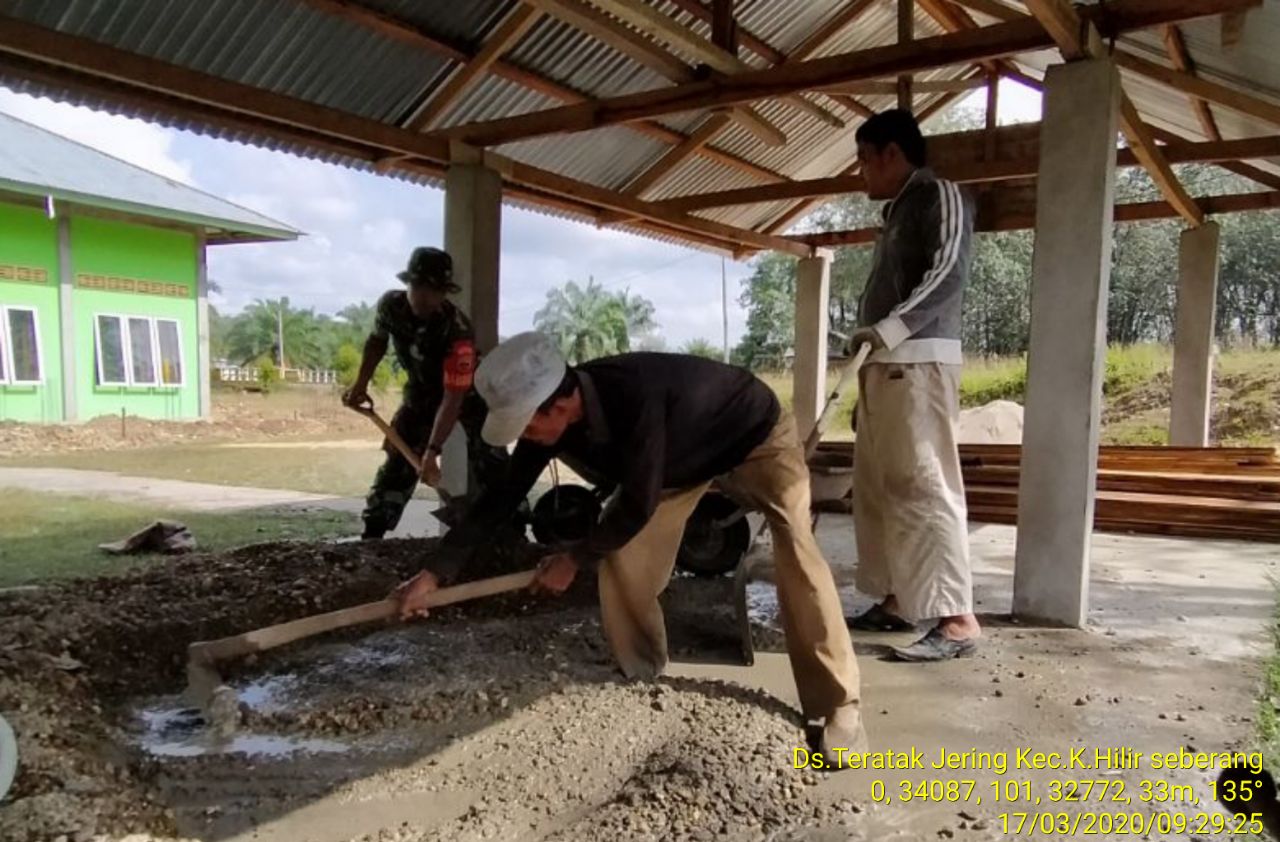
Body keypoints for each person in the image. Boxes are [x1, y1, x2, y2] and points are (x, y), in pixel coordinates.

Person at [394, 333, 865, 756]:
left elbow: (637, 502)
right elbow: (500, 499)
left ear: (558, 405)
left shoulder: (635, 396)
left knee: (798, 552)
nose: (526, 438)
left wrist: (574, 560)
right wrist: (434, 573)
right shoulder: (554, 420)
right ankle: (642, 672)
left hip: (752, 433)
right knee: (622, 556)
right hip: (676, 463)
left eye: (527, 427)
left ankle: (840, 703)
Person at [843, 109, 981, 661]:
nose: (861, 175)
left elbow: (949, 272)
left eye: (863, 161)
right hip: (885, 367)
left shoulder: (939, 195)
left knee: (924, 485)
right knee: (880, 488)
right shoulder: (897, 212)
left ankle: (957, 620)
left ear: (892, 154)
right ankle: (899, 600)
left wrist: (891, 328)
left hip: (919, 363)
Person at [342, 246, 493, 540]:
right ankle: (373, 535)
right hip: (421, 395)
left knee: (490, 461)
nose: (425, 296)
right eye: (419, 287)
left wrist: (432, 451)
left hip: (467, 397)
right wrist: (361, 384)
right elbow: (376, 342)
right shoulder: (390, 306)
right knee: (399, 460)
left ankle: (506, 529)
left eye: (435, 290)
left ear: (444, 293)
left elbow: (453, 398)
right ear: (408, 284)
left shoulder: (458, 332)